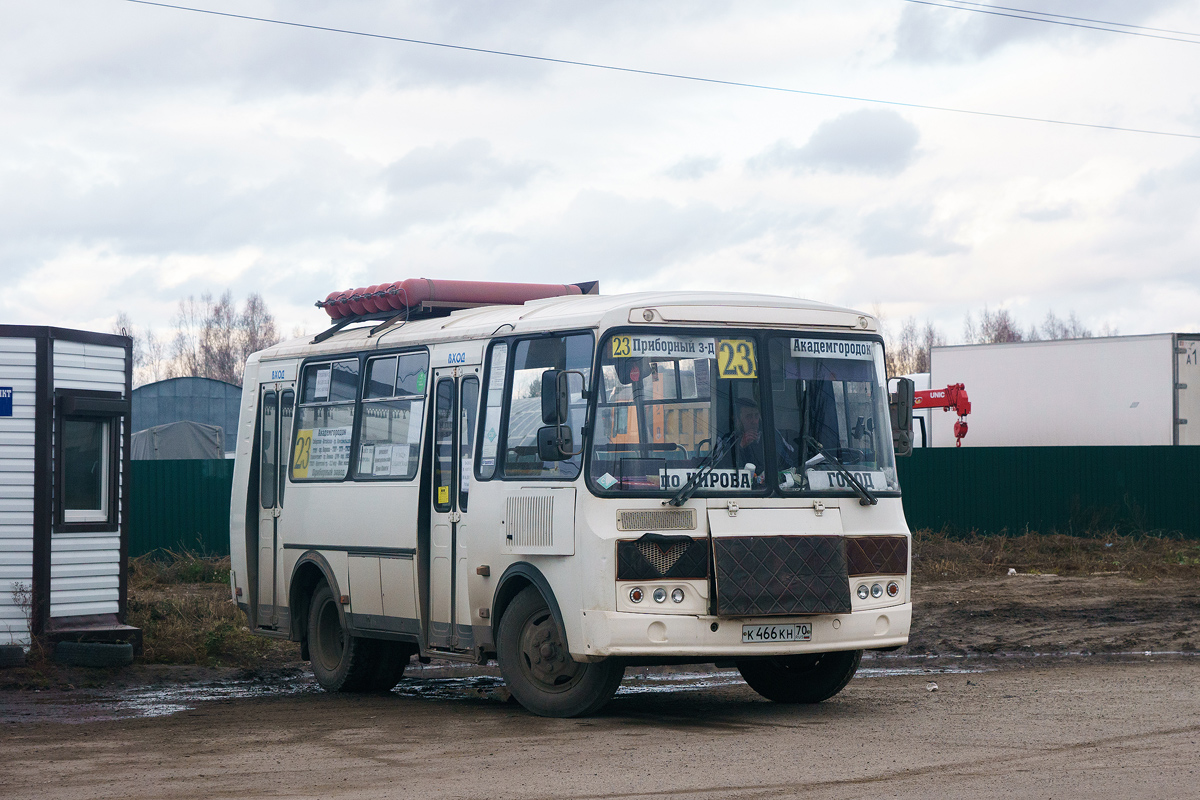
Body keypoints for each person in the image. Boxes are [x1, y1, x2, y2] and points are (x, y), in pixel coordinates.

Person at [731, 398, 796, 485]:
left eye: (756, 416)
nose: (754, 421)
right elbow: (720, 468)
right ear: (737, 420)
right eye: (749, 416)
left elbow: (790, 462)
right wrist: (741, 446)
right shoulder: (727, 440)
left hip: (773, 490)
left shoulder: (771, 435)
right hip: (738, 493)